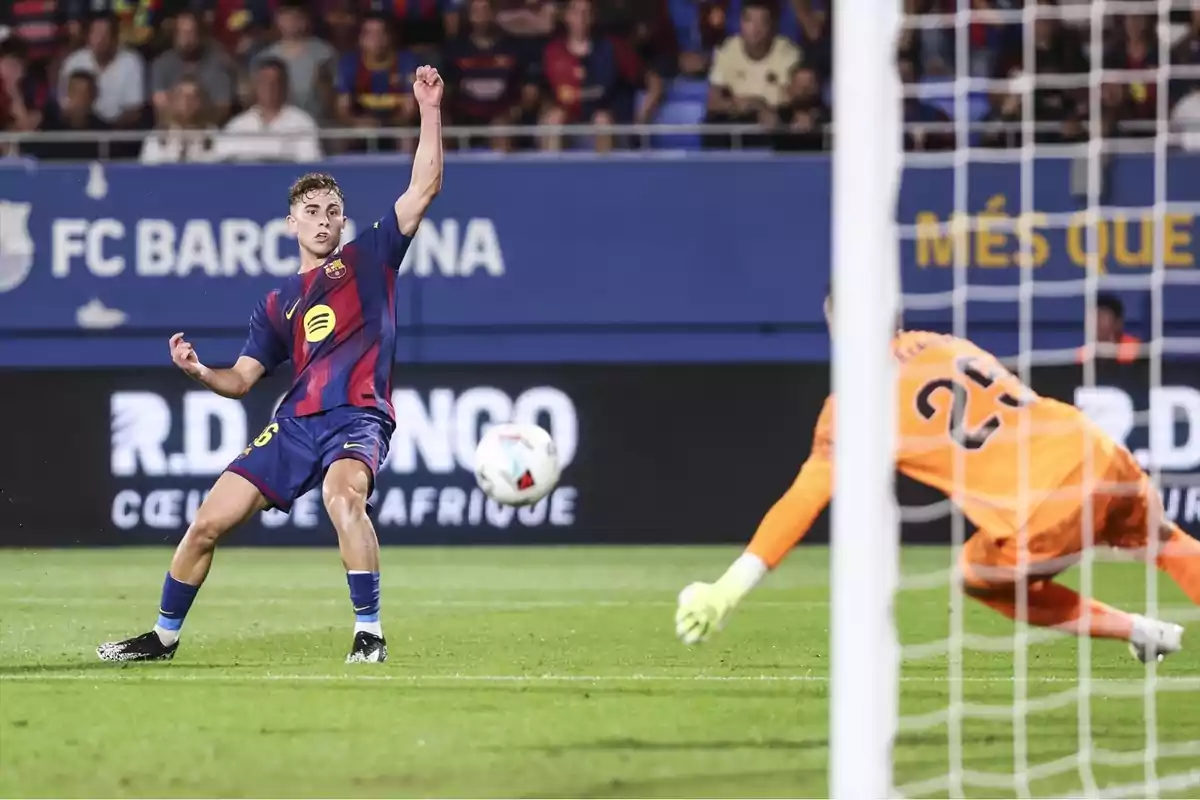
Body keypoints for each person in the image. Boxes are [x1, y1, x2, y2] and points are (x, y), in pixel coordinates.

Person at [97, 65, 445, 666]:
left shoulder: (371, 255)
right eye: (311, 209)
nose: (324, 217)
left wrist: (430, 110)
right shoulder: (277, 302)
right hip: (295, 425)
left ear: (342, 220)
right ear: (292, 222)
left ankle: (369, 633)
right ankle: (162, 638)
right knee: (205, 523)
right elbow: (242, 380)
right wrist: (201, 372)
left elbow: (425, 186)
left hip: (357, 418)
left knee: (344, 501)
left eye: (333, 209)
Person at [676, 289, 1200, 663]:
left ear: (838, 325)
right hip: (1097, 450)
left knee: (977, 575)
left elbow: (804, 500)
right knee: (1171, 543)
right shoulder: (941, 343)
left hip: (1043, 504)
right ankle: (1145, 631)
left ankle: (1128, 627)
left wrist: (727, 588)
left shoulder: (855, 403)